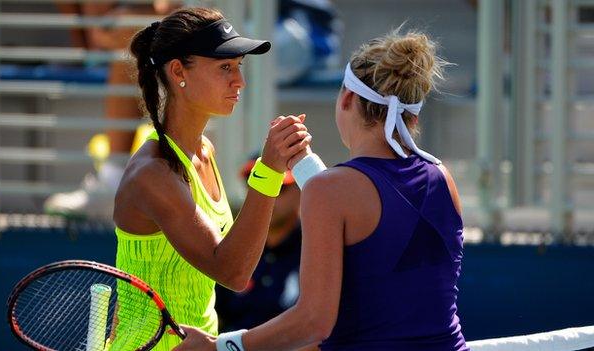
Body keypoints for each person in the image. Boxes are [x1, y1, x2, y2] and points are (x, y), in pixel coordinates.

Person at [174, 28, 468, 351]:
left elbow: (313, 322)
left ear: (347, 99)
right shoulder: (442, 177)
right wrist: (304, 165)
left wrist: (220, 347)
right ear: (411, 116)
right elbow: (378, 232)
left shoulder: (330, 192)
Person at [107, 7, 311, 350]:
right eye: (224, 67)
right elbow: (233, 272)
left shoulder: (205, 151)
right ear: (178, 72)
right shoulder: (152, 175)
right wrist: (269, 171)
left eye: (238, 67)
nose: (239, 81)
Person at [45, 1, 181, 220]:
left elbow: (169, 8)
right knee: (130, 33)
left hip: (224, 25)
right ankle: (114, 179)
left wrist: (116, 27)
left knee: (131, 32)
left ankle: (115, 179)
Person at [215, 155, 302, 331]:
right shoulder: (232, 247)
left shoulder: (319, 248)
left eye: (278, 187)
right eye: (256, 186)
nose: (267, 196)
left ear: (301, 189)